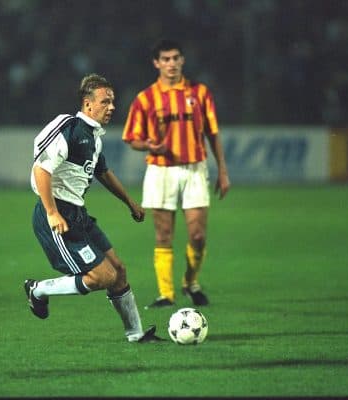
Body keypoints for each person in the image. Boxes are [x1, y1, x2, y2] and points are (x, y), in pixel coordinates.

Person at [24, 73, 163, 343]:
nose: (112, 107)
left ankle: (136, 334)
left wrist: (129, 202)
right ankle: (38, 290)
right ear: (88, 104)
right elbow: (42, 168)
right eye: (105, 101)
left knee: (118, 271)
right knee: (103, 276)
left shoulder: (94, 137)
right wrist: (52, 212)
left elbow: (104, 173)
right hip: (57, 214)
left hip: (79, 215)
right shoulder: (70, 127)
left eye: (112, 102)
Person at [122, 39, 230, 309]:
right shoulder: (145, 98)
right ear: (156, 63)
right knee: (163, 235)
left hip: (195, 168)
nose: (171, 64)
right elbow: (131, 138)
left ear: (182, 60)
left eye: (176, 58)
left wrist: (223, 172)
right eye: (166, 59)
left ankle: (190, 282)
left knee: (197, 235)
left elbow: (213, 133)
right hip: (160, 171)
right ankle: (166, 294)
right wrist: (148, 145)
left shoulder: (200, 93)